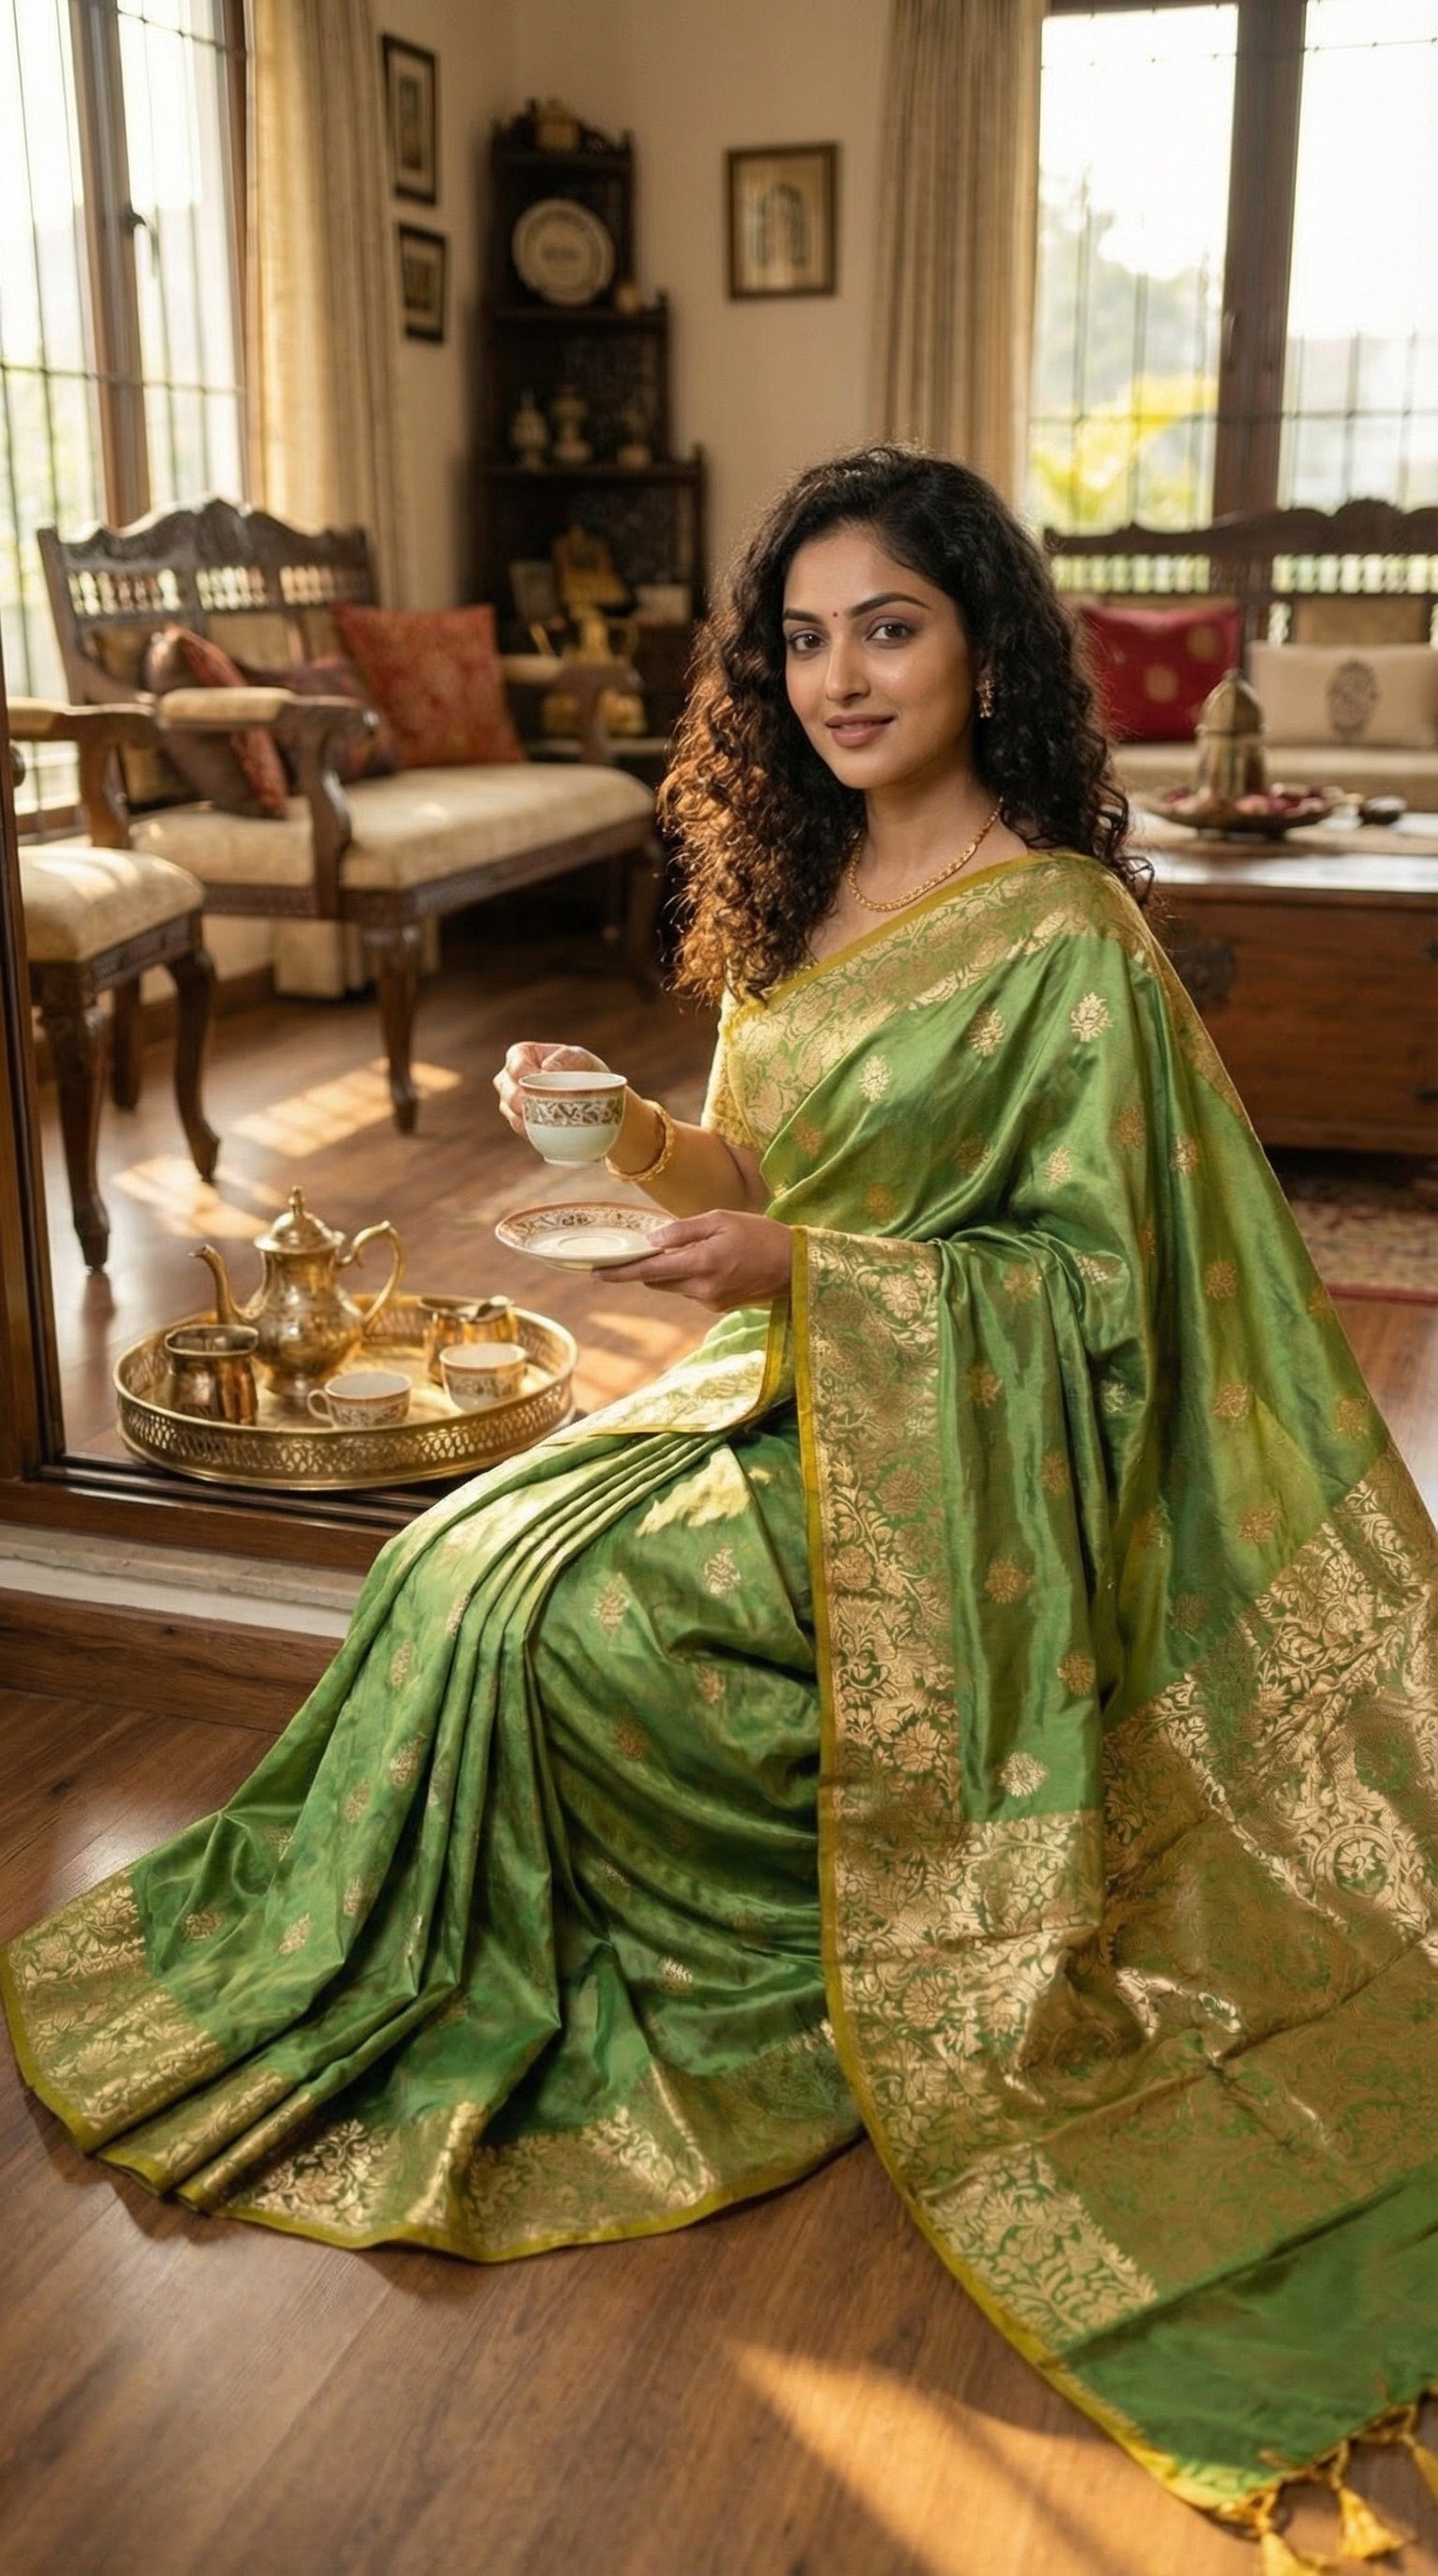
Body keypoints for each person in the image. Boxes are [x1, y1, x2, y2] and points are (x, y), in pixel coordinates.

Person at [6, 446, 1437, 2554]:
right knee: (451, 1562)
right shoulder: (800, 891)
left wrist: (803, 1279)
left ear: (981, 648)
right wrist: (632, 1141)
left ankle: (767, 1937)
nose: (840, 676)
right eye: (803, 637)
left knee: (592, 1621)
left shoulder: (1062, 932)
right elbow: (753, 1175)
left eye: (889, 626)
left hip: (955, 1475)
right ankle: (475, 1937)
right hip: (778, 1387)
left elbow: (1096, 1302)